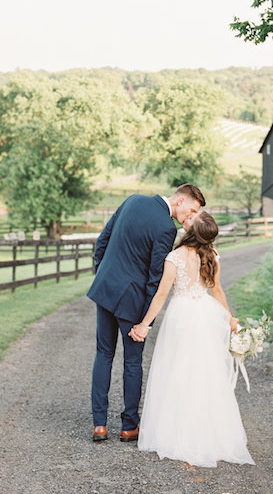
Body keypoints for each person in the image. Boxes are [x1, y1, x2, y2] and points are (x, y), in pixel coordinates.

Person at [129, 211, 255, 468]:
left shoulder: (174, 257)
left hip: (182, 316)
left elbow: (161, 295)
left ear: (190, 231)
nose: (186, 219)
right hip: (206, 314)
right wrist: (229, 317)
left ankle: (178, 432)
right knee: (205, 371)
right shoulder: (212, 255)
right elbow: (217, 290)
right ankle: (208, 432)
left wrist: (144, 325)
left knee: (178, 369)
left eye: (190, 220)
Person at [87, 184, 205, 443]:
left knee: (103, 353)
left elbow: (103, 241)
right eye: (192, 210)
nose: (190, 217)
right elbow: (155, 278)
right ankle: (129, 426)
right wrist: (145, 321)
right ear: (181, 199)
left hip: (106, 288)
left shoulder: (133, 200)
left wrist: (102, 273)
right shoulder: (166, 228)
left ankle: (99, 425)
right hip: (132, 300)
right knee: (132, 361)